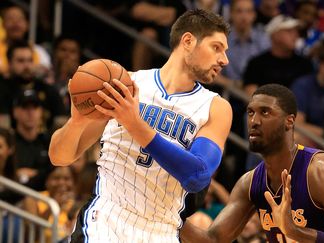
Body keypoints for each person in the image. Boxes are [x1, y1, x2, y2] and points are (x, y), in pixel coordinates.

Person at [48, 9, 232, 242]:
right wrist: (76, 122)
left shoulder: (215, 107)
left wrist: (134, 124)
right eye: (217, 47)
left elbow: (197, 175)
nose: (224, 60)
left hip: (162, 230)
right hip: (105, 220)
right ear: (188, 41)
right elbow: (59, 157)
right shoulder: (125, 84)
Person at [180, 84, 324, 243]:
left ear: (289, 121)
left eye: (265, 113)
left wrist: (296, 232)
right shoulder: (250, 183)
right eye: (250, 113)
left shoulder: (322, 170)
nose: (254, 121)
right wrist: (173, 216)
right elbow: (213, 240)